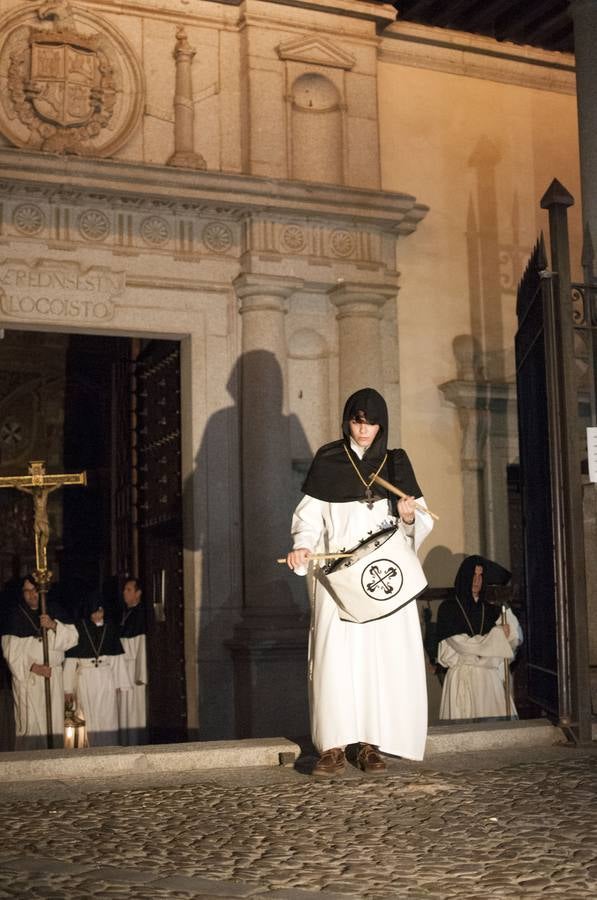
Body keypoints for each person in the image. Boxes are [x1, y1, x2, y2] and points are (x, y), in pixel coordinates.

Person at [286, 387, 433, 776]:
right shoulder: (329, 459)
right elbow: (308, 518)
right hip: (339, 583)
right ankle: (332, 747)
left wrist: (408, 516)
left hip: (385, 582)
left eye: (370, 422)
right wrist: (301, 547)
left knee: (377, 663)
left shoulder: (397, 462)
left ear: (381, 424)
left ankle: (368, 745)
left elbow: (422, 517)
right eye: (357, 420)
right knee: (336, 660)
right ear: (347, 421)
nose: (363, 429)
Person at [436, 555, 523, 720]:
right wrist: (497, 636)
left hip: (489, 679)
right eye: (473, 576)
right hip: (461, 676)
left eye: (480, 576)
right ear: (464, 577)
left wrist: (504, 638)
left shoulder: (493, 610)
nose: (477, 581)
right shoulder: (448, 609)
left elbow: (514, 639)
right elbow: (461, 644)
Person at [1, 574, 78, 749]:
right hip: (29, 681)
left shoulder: (54, 610)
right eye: (26, 591)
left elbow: (73, 638)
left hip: (53, 678)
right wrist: (33, 667)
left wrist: (53, 625)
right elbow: (10, 652)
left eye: (34, 590)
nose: (31, 595)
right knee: (30, 728)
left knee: (54, 727)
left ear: (42, 590)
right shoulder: (16, 615)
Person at [63, 595, 132, 746]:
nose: (97, 615)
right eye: (94, 612)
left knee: (108, 716)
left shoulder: (110, 628)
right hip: (86, 678)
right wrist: (67, 689)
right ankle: (93, 751)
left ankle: (110, 749)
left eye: (100, 611)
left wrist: (121, 684)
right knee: (89, 716)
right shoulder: (80, 628)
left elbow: (116, 658)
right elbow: (70, 661)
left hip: (106, 677)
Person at [117, 577, 148, 745]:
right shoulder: (125, 612)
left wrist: (140, 674)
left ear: (138, 593)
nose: (124, 592)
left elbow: (141, 646)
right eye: (124, 589)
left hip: (133, 670)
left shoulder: (140, 614)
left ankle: (135, 742)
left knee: (134, 710)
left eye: (128, 590)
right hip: (123, 667)